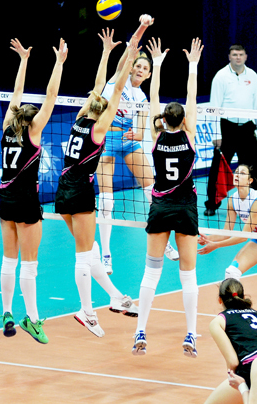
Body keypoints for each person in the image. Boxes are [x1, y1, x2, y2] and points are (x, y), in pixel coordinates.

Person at [55, 25, 145, 337]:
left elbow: (99, 88)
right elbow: (116, 89)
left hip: (63, 188)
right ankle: (87, 311)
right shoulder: (99, 129)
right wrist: (131, 50)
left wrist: (106, 53)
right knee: (84, 254)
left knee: (90, 248)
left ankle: (116, 297)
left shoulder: (80, 118)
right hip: (81, 190)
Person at [132, 37, 202, 357]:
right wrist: (192, 65)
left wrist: (157, 64)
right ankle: (190, 335)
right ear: (183, 120)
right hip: (185, 208)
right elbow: (191, 97)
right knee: (188, 275)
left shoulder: (156, 136)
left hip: (160, 207)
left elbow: (154, 97)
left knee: (151, 272)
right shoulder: (190, 135)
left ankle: (140, 331)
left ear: (163, 119)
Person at [0, 38, 66, 344]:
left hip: (5, 197)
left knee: (8, 259)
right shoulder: (34, 133)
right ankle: (32, 319)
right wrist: (59, 63)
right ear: (32, 120)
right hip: (26, 200)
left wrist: (23, 60)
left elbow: (16, 94)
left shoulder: (7, 127)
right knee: (30, 263)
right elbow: (52, 95)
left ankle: (6, 312)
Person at [97, 19, 178, 275]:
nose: (141, 70)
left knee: (154, 192)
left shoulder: (141, 97)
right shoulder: (116, 81)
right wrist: (143, 26)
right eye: (138, 66)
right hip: (106, 141)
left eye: (145, 68)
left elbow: (143, 129)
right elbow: (131, 48)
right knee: (106, 201)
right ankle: (106, 254)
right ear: (131, 67)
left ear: (149, 74)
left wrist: (138, 132)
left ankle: (162, 239)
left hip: (128, 142)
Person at [198, 164, 257, 313]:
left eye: (242, 173)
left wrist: (216, 245)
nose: (237, 174)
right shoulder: (232, 200)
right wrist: (207, 239)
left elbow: (244, 236)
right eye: (236, 172)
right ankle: (236, 312)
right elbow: (226, 232)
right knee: (231, 272)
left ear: (250, 180)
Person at [204, 45, 257, 217]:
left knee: (253, 169)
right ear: (229, 57)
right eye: (235, 55)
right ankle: (212, 204)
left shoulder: (253, 76)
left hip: (247, 128)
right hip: (227, 129)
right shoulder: (221, 76)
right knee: (218, 168)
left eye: (241, 54)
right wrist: (216, 135)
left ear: (246, 56)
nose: (238, 57)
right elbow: (214, 106)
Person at [204, 278, 257, 404]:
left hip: (251, 371)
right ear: (243, 297)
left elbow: (233, 361)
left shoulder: (219, 321)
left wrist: (234, 380)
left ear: (220, 300)